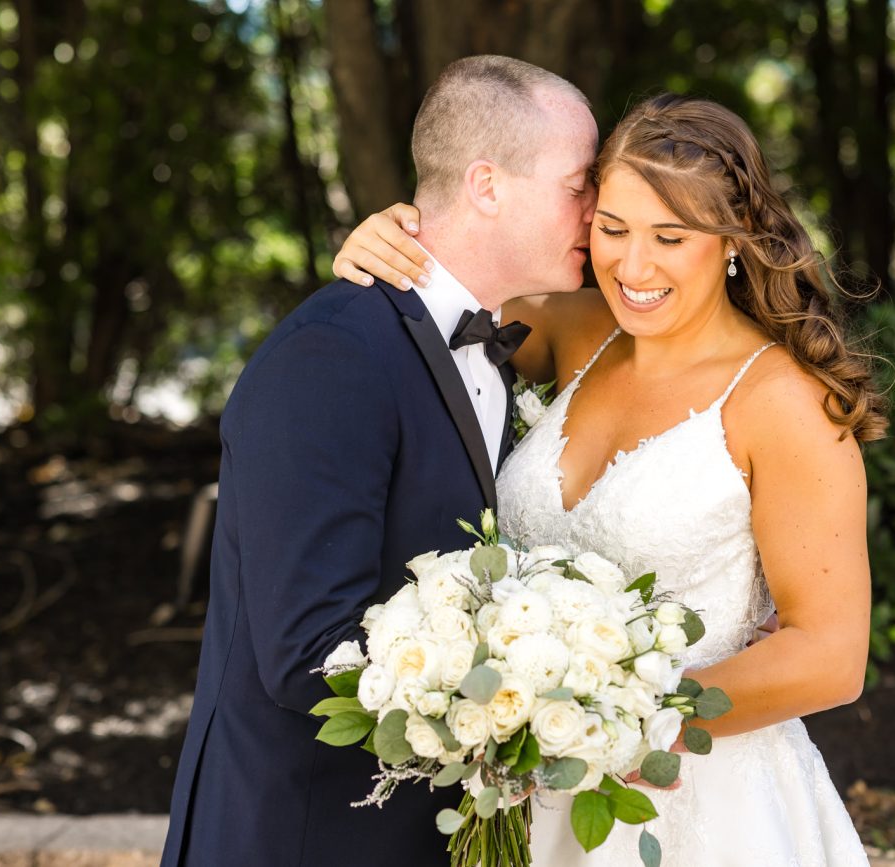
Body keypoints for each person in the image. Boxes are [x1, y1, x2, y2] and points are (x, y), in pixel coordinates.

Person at [332, 92, 885, 864]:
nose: (634, 265)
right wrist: (390, 237)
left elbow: (830, 655)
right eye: (613, 229)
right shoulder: (577, 328)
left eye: (671, 236)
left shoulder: (785, 403)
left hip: (699, 801)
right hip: (532, 791)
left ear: (734, 241)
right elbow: (451, 284)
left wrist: (622, 719)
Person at [158, 56, 599, 867]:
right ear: (487, 184)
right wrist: (537, 693)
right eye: (580, 183)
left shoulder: (501, 340)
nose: (598, 209)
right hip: (303, 837)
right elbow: (304, 650)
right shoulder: (331, 354)